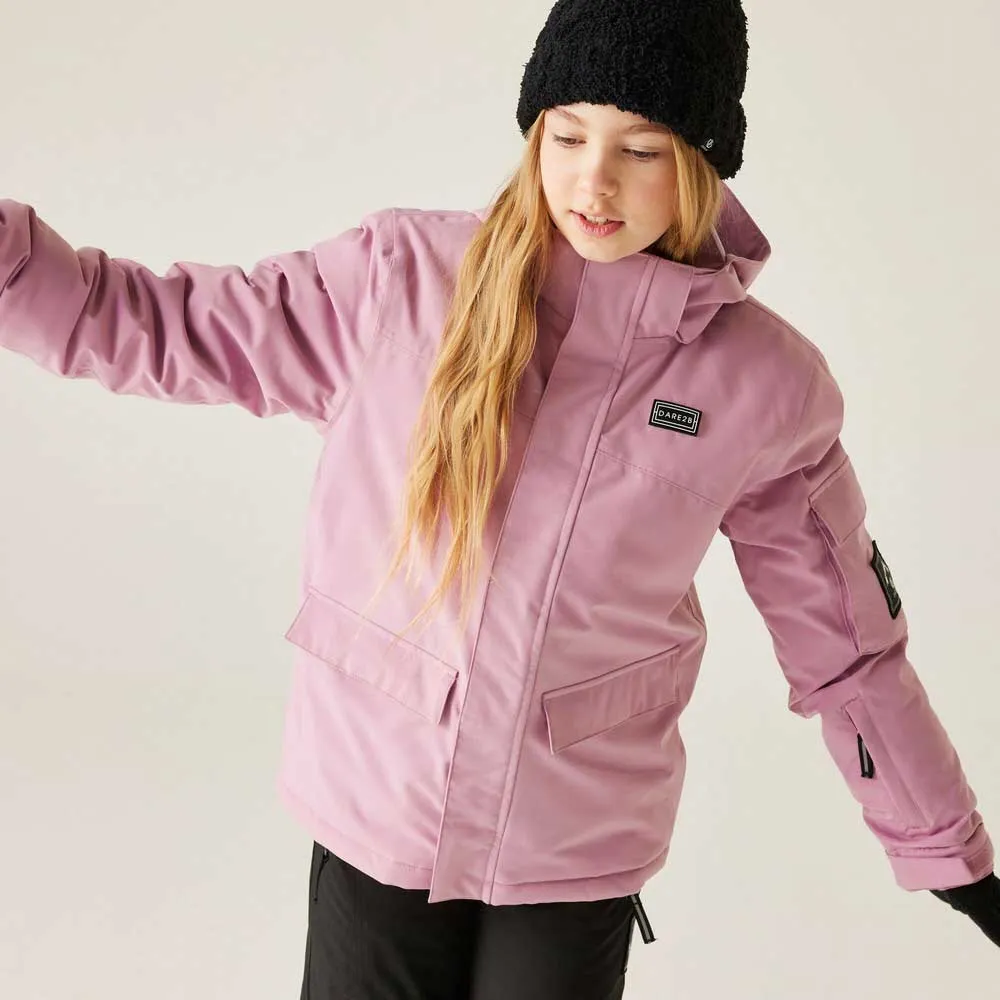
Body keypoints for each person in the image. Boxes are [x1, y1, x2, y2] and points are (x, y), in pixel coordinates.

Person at [2, 0, 997, 996]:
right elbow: (156, 323)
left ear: (700, 163)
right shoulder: (401, 281)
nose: (592, 181)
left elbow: (847, 647)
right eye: (566, 135)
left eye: (638, 149)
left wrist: (949, 854)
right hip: (380, 806)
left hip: (572, 845)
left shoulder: (762, 385)